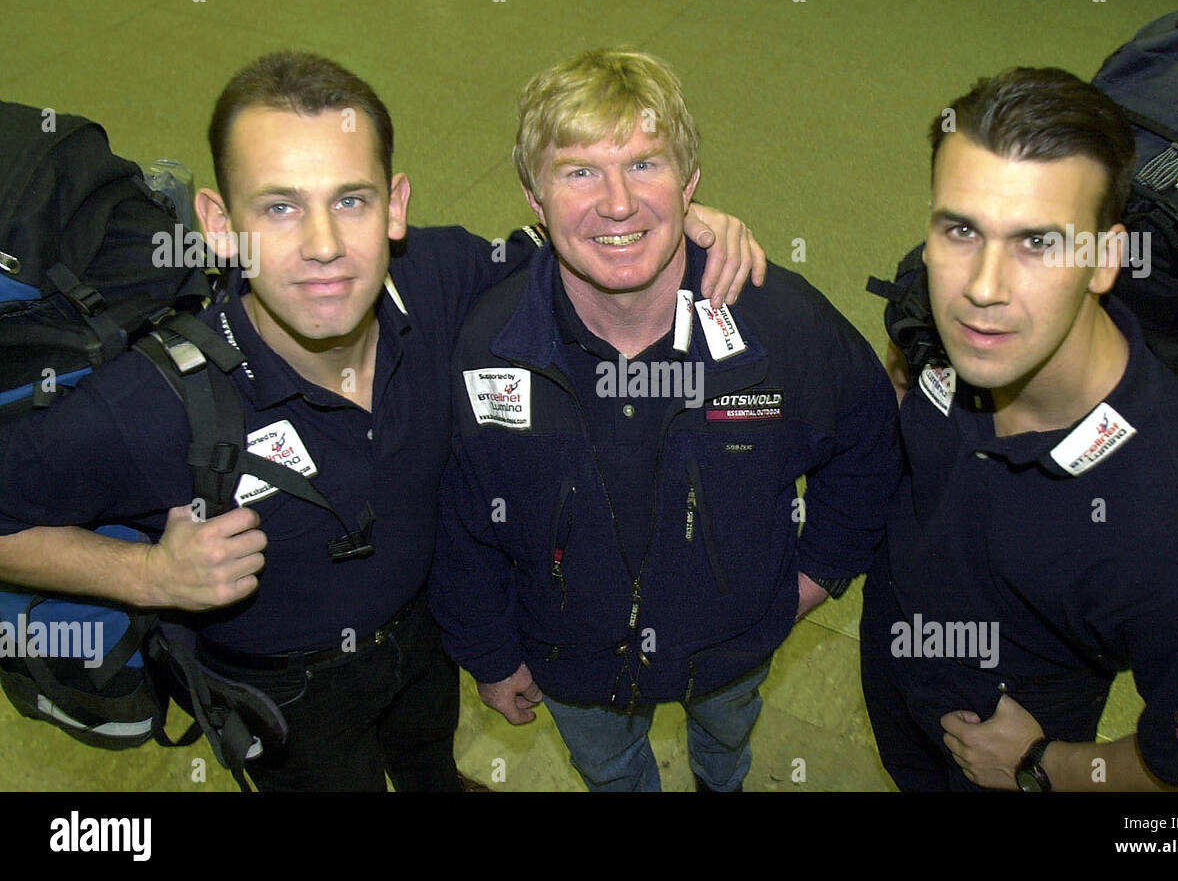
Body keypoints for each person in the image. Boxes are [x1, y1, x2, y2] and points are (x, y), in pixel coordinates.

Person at [0, 50, 763, 791]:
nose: (325, 246)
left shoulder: (436, 280)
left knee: (429, 755)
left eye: (351, 200)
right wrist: (148, 574)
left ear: (396, 206)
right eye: (279, 206)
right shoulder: (152, 405)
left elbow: (577, 242)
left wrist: (688, 226)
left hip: (421, 634)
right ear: (218, 222)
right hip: (289, 693)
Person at [431, 47, 902, 792]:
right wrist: (489, 654)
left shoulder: (782, 327)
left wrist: (811, 577)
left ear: (690, 184)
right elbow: (461, 523)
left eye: (645, 164)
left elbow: (871, 444)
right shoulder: (490, 347)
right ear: (532, 196)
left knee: (727, 736)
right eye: (578, 170)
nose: (618, 203)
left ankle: (723, 777)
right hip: (571, 664)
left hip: (732, 651)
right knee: (612, 769)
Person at [860, 67, 1178, 791]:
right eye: (960, 228)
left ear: (1106, 259)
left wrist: (1044, 764)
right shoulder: (938, 298)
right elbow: (907, 360)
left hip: (999, 744)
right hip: (897, 653)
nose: (982, 288)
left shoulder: (1174, 522)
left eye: (1037, 242)